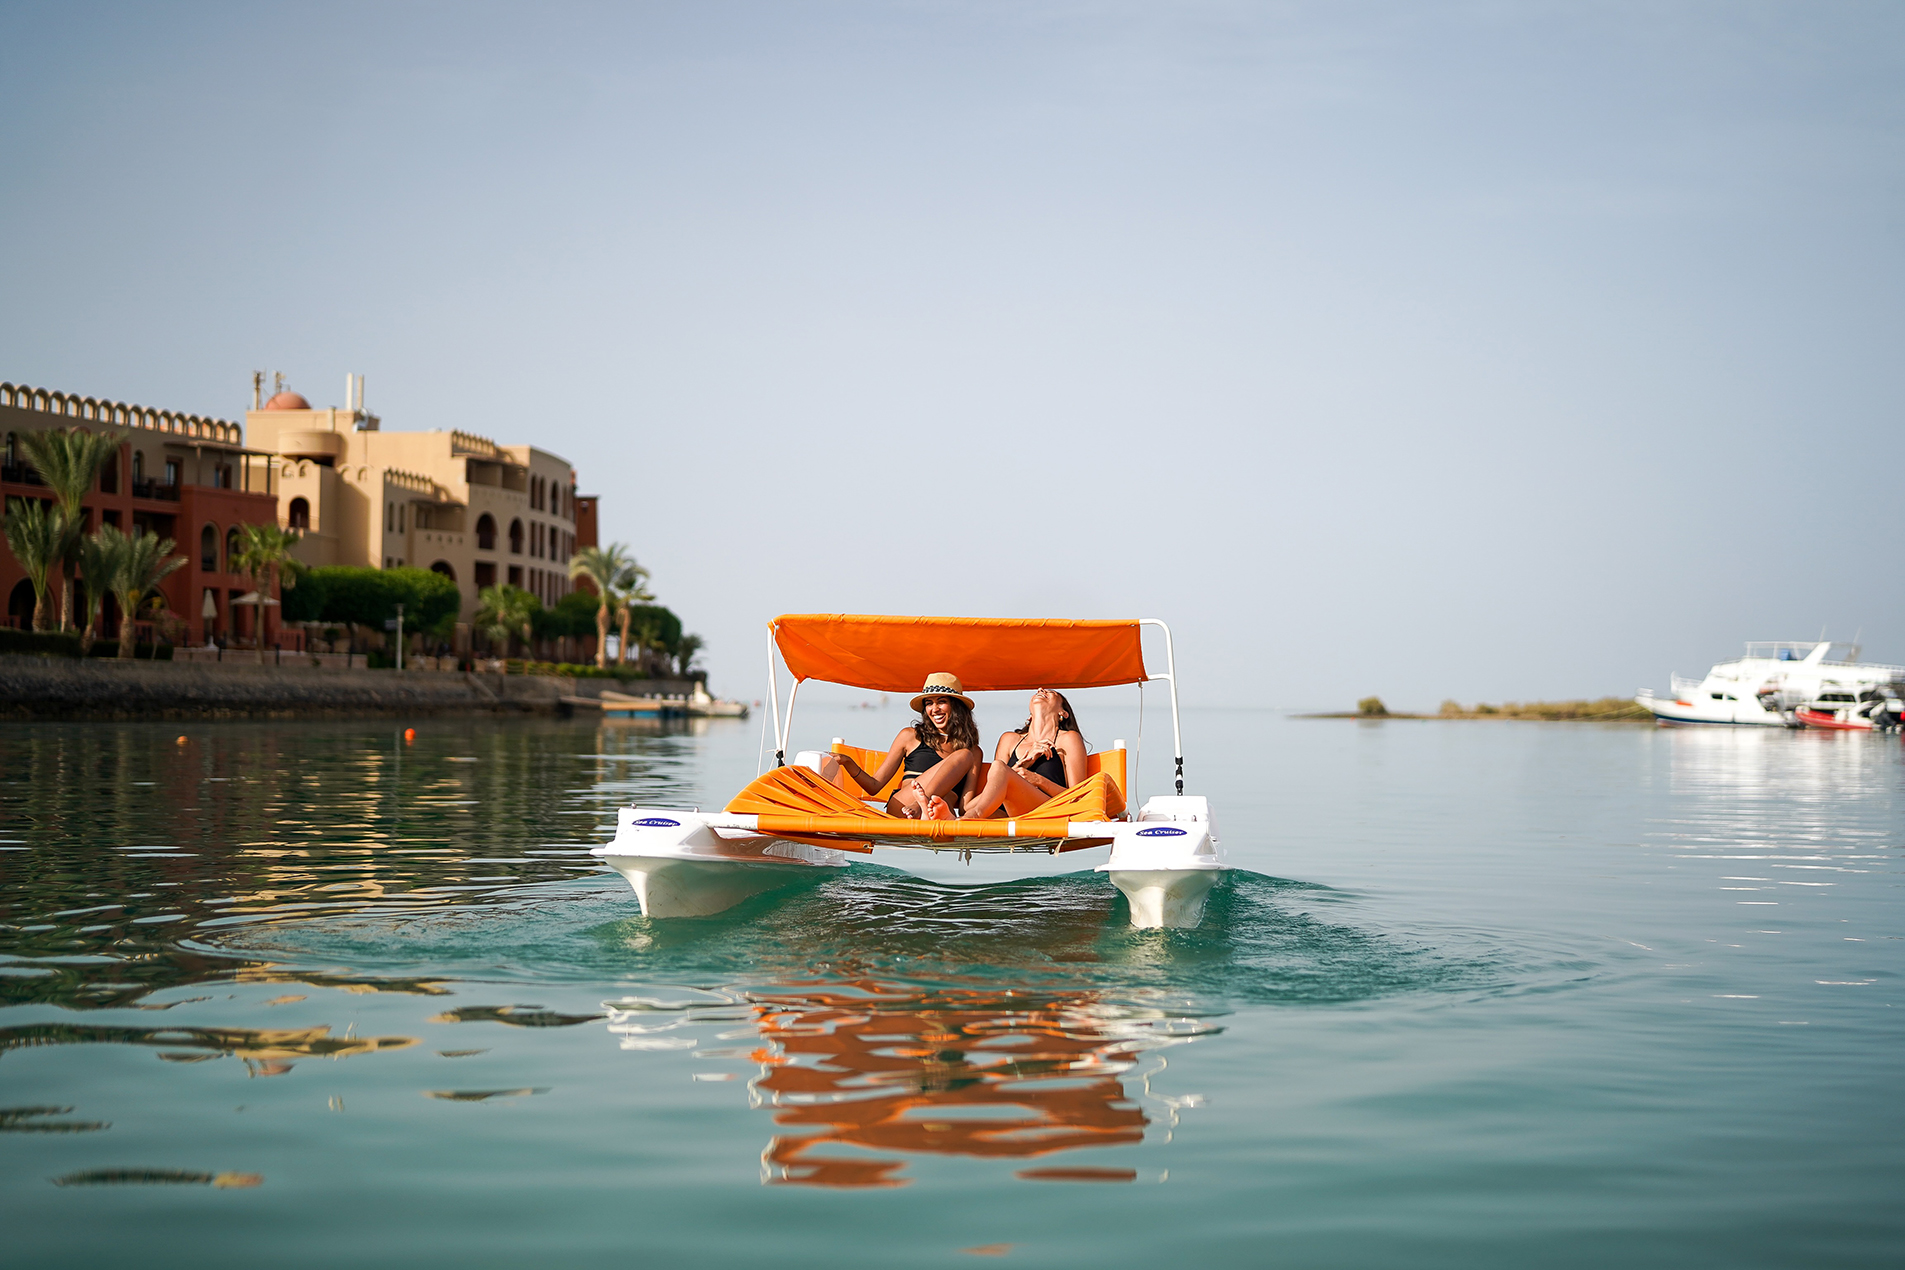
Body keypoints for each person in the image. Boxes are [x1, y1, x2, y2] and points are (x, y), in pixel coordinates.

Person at [829, 672, 984, 819]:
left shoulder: (974, 751)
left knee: (949, 792)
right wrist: (848, 762)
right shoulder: (910, 737)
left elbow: (965, 807)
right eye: (929, 703)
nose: (934, 709)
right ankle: (921, 803)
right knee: (963, 756)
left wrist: (998, 790)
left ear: (956, 707)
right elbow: (874, 786)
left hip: (939, 811)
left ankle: (929, 808)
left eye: (942, 702)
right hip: (905, 807)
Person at [962, 687, 1088, 818]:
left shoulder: (1068, 739)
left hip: (1048, 813)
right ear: (1029, 716)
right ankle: (955, 818)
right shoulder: (1009, 740)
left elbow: (1078, 797)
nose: (1041, 690)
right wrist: (1018, 768)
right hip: (1009, 815)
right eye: (1038, 692)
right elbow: (975, 802)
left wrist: (1037, 780)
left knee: (999, 767)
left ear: (1063, 713)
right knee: (998, 768)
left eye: (1051, 692)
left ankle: (973, 817)